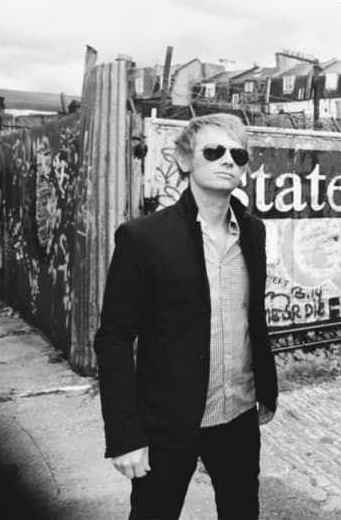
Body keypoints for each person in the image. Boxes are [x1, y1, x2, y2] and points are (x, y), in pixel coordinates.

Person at [94, 113, 277, 519]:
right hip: (168, 421)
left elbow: (253, 316)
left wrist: (267, 388)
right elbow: (114, 339)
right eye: (213, 151)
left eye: (238, 154)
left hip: (238, 416)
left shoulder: (253, 232)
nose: (228, 160)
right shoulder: (143, 238)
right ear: (184, 159)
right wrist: (125, 434)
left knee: (242, 512)